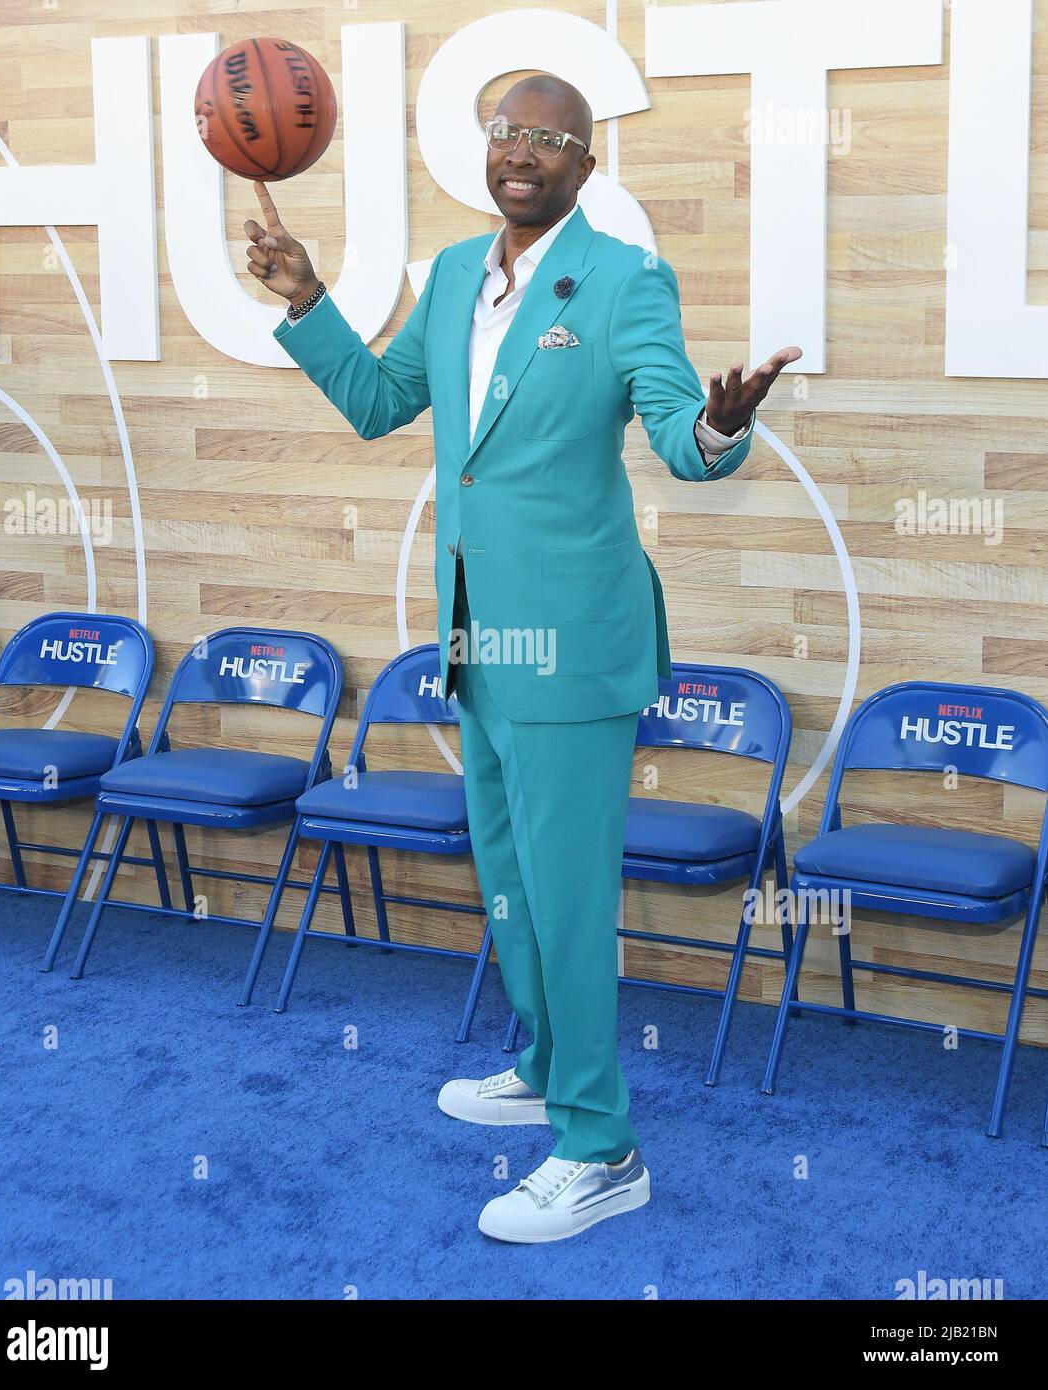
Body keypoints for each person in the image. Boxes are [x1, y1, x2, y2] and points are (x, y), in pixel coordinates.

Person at [245, 72, 801, 1243]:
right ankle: (547, 1067)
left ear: (583, 167)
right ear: (484, 147)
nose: (525, 152)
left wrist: (719, 424)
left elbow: (675, 436)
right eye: (510, 131)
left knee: (564, 897)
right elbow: (378, 402)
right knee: (505, 880)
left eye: (552, 139)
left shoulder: (622, 282)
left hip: (571, 646)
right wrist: (306, 303)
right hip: (472, 637)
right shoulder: (452, 274)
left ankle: (600, 1148)